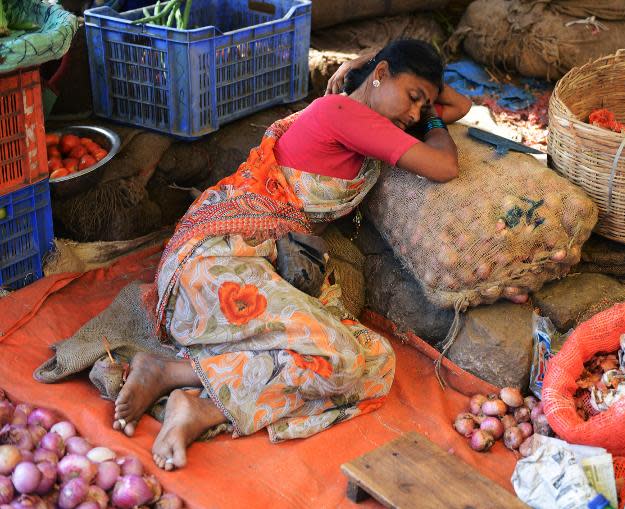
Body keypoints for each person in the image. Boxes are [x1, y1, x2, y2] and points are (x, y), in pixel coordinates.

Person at [111, 39, 472, 471]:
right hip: (217, 257)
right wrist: (387, 74)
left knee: (371, 360)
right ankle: (177, 379)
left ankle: (191, 392)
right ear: (381, 75)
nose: (414, 115)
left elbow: (459, 104)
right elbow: (445, 166)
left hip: (269, 260)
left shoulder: (366, 114)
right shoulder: (345, 114)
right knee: (338, 357)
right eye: (412, 98)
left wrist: (399, 85)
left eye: (422, 106)